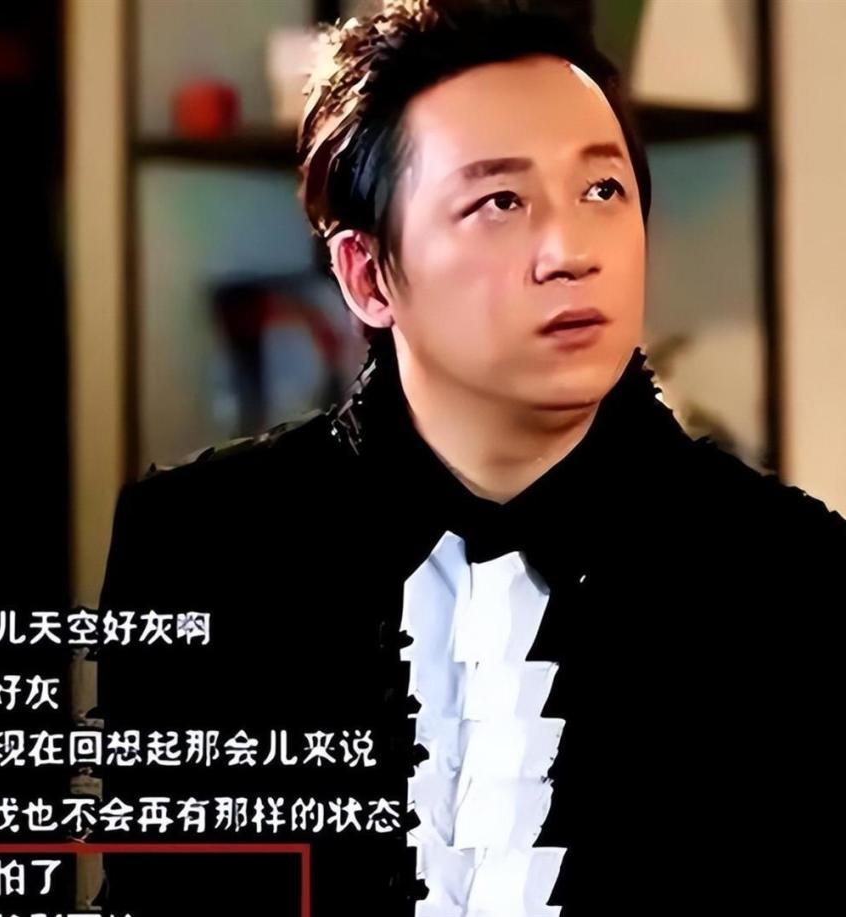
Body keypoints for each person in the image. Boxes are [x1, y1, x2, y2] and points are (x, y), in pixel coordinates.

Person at [99, 2, 845, 914]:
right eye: (500, 202)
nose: (570, 252)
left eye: (602, 191)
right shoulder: (199, 550)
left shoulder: (791, 574)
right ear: (367, 274)